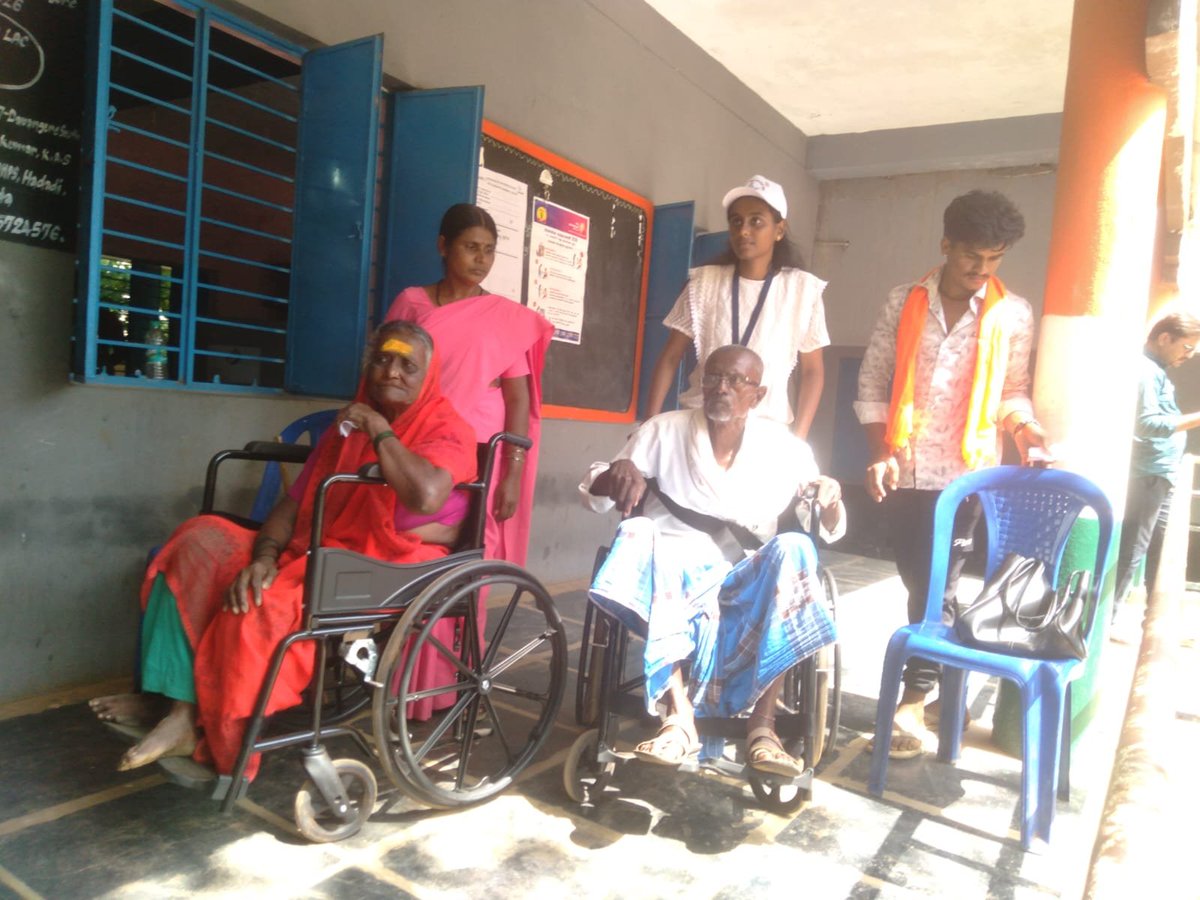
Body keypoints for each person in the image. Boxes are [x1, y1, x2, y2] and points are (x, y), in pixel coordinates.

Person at [90, 321, 478, 780]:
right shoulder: (343, 429)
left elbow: (427, 497)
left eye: (407, 364)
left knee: (255, 606)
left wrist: (377, 429)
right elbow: (293, 505)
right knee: (195, 544)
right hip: (312, 548)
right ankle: (178, 706)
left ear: (427, 376)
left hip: (385, 562)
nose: (391, 371)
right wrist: (264, 558)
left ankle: (214, 733)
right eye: (382, 359)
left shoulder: (444, 428)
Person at [582, 345, 844, 773]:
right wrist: (618, 471)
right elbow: (596, 484)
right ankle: (678, 718)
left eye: (735, 381)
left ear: (757, 396)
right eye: (712, 378)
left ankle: (764, 725)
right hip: (670, 567)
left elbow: (822, 512)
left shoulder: (783, 446)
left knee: (797, 549)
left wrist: (831, 496)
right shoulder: (663, 429)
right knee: (637, 531)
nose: (721, 387)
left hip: (745, 572)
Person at [854, 189, 1050, 759]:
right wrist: (880, 453)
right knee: (920, 580)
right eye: (971, 256)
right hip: (907, 467)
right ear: (946, 245)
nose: (981, 270)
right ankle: (953, 687)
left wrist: (1027, 431)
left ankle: (913, 702)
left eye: (993, 259)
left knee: (940, 582)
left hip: (968, 475)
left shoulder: (1013, 314)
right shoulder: (902, 301)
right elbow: (873, 381)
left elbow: (1012, 392)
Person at [384, 203, 553, 717]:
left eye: (488, 251)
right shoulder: (412, 303)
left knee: (464, 575)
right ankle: (400, 686)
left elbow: (519, 400)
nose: (480, 259)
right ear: (443, 246)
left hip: (478, 458)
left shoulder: (504, 320)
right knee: (404, 558)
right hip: (416, 449)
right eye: (469, 247)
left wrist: (513, 472)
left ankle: (458, 692)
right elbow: (387, 369)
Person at [643, 175, 829, 437]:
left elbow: (813, 372)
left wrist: (799, 439)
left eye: (756, 221)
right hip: (701, 423)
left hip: (766, 430)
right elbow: (670, 357)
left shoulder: (802, 290)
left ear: (779, 230)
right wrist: (648, 424)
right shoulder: (703, 283)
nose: (743, 230)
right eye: (736, 221)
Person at [1111, 311, 1200, 640]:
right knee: (1133, 549)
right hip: (1146, 473)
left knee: (1159, 551)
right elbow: (1147, 425)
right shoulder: (1146, 372)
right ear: (1165, 338)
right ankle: (1111, 618)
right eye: (1187, 347)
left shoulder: (1157, 371)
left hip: (1160, 474)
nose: (1188, 356)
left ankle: (1157, 623)